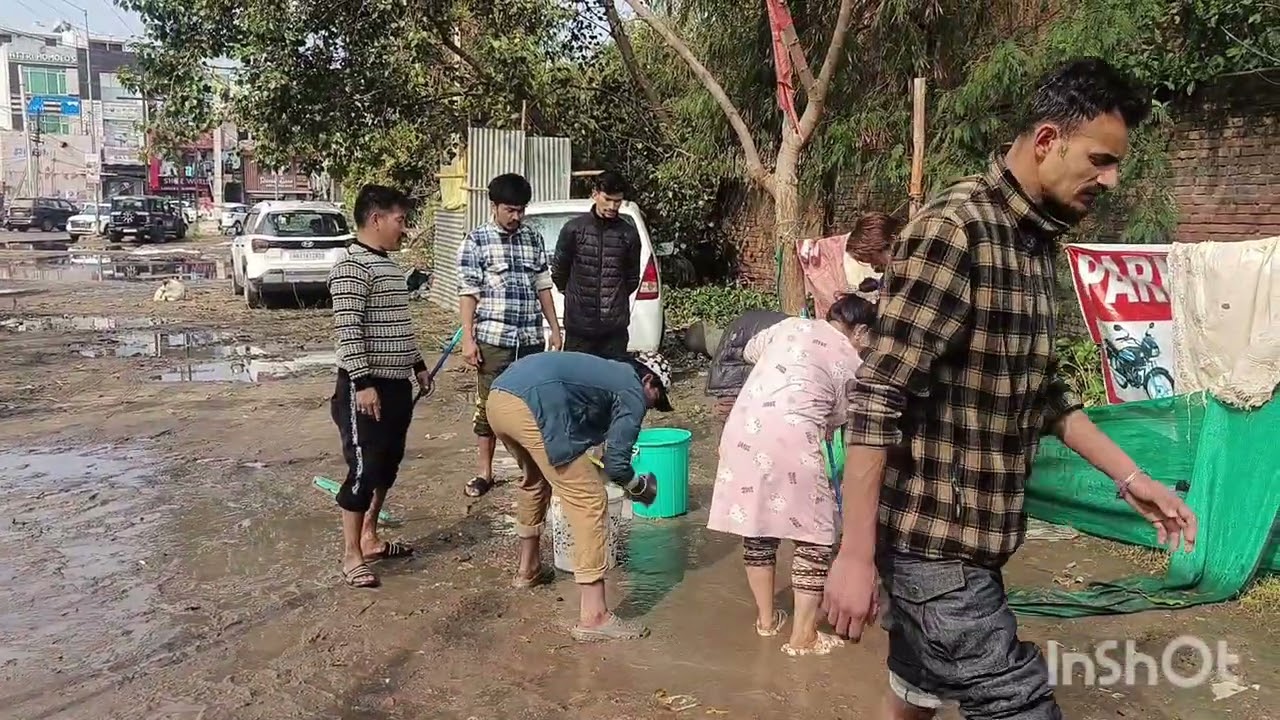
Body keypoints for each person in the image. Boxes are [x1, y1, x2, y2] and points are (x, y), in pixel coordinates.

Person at [821, 57, 1199, 719]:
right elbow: (878, 395)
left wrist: (1132, 476)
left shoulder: (1034, 243)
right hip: (933, 547)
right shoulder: (955, 230)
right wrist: (853, 555)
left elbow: (1045, 391)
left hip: (979, 539)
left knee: (917, 689)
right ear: (1048, 140)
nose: (1110, 180)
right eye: (1101, 160)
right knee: (1017, 702)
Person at [707, 295, 876, 656]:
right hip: (791, 442)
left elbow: (750, 350)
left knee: (759, 527)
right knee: (815, 537)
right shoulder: (851, 361)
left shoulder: (788, 326)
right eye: (869, 339)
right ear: (860, 331)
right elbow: (839, 418)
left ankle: (767, 621)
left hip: (741, 433)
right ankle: (803, 637)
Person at [486, 350, 673, 641]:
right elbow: (616, 464)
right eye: (656, 399)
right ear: (648, 380)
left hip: (500, 399)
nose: (649, 408)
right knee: (589, 499)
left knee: (536, 480)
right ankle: (595, 617)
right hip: (533, 404)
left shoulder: (607, 373)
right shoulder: (632, 388)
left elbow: (591, 446)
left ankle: (528, 570)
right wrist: (639, 486)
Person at [327, 184, 433, 589]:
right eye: (399, 220)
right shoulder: (351, 266)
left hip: (396, 385)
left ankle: (370, 537)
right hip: (364, 389)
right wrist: (362, 383)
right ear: (376, 219)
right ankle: (351, 555)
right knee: (363, 468)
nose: (403, 228)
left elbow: (398, 326)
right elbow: (348, 331)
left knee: (387, 464)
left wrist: (418, 366)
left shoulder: (388, 266)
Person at [458, 173, 564, 499]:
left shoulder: (532, 238)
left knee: (532, 406)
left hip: (529, 339)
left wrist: (554, 328)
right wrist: (468, 339)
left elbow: (543, 286)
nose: (516, 216)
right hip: (493, 340)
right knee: (489, 407)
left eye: (520, 210)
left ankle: (533, 469)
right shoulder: (476, 241)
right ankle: (484, 472)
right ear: (494, 206)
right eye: (509, 210)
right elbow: (468, 292)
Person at [551, 170, 642, 360]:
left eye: (617, 201)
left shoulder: (628, 234)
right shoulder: (574, 230)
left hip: (614, 331)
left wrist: (614, 300)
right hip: (578, 329)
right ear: (595, 194)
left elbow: (632, 278)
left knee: (612, 377)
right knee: (577, 377)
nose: (612, 206)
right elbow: (559, 272)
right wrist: (576, 297)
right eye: (607, 199)